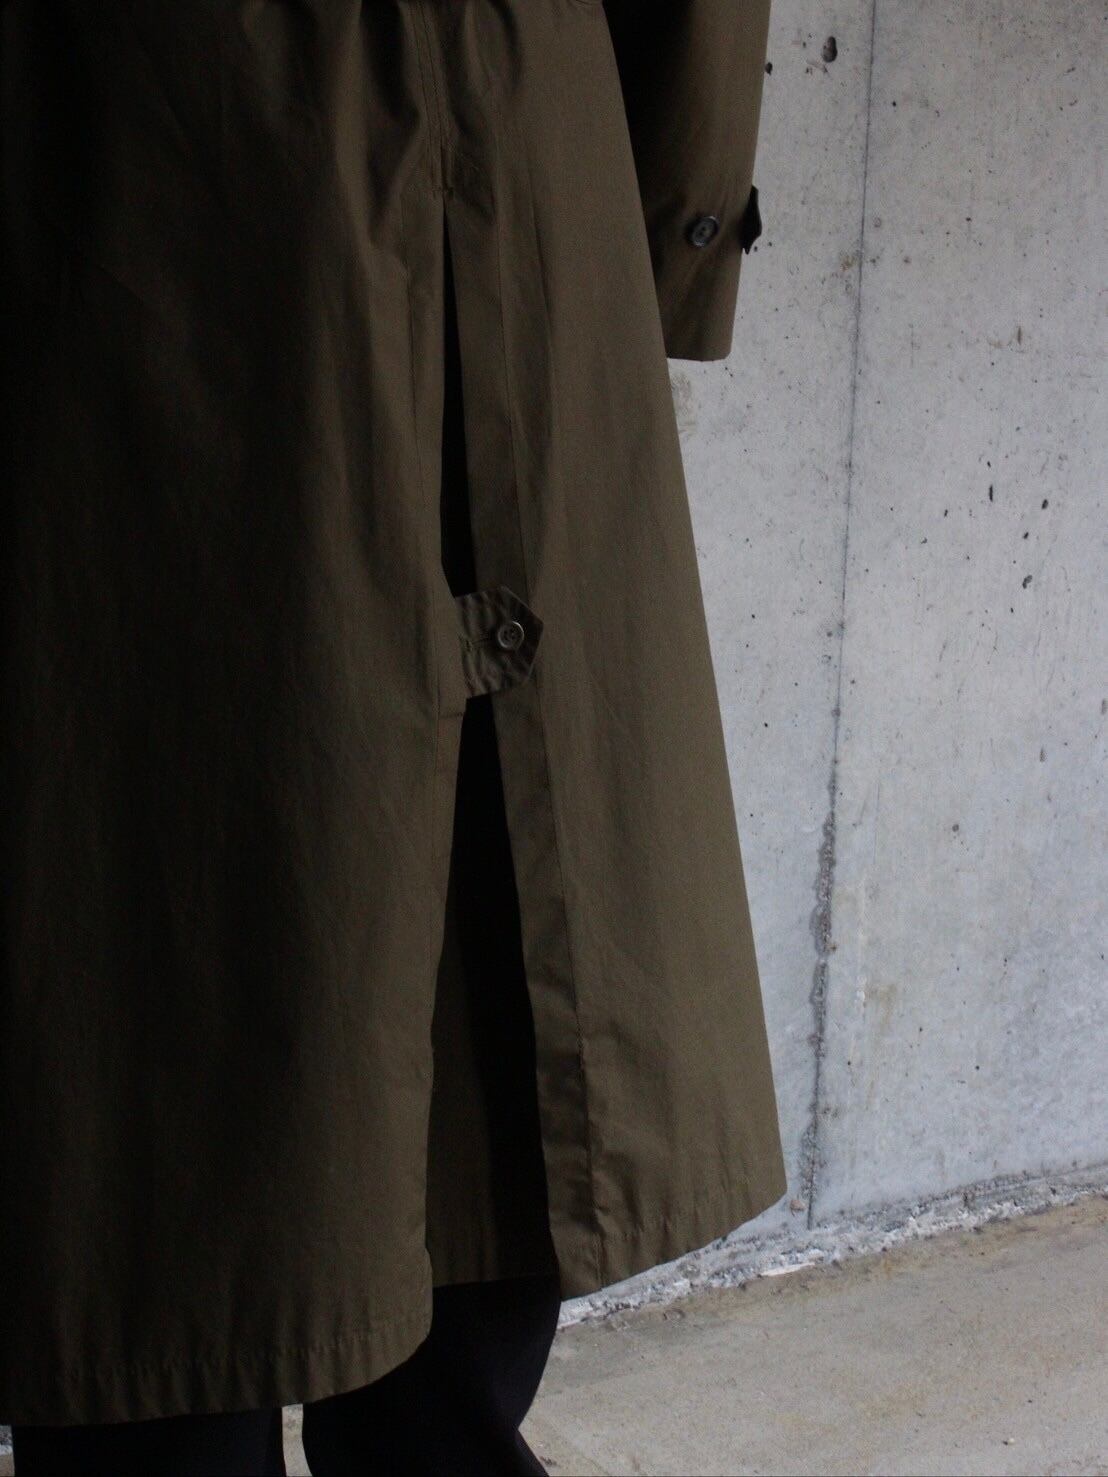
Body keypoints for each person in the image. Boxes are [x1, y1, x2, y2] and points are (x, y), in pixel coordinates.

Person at [1, 3, 785, 1472]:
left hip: (150, 151)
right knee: (380, 1004)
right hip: (470, 145)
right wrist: (661, 230)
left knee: (189, 1001)